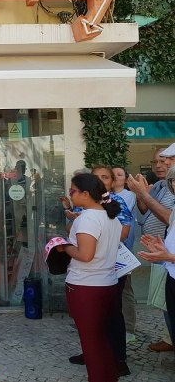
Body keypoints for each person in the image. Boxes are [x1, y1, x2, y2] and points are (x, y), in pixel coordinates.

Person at [56, 173, 122, 382]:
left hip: (86, 286)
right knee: (101, 337)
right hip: (107, 283)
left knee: (91, 342)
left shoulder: (88, 218)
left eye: (73, 191)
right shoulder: (110, 217)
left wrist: (65, 246)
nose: (70, 194)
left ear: (85, 194)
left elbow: (85, 255)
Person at [128, 147, 175, 352]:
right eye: (156, 161)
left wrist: (141, 194)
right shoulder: (160, 186)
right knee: (165, 302)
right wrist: (142, 195)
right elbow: (144, 213)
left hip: (167, 255)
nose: (161, 165)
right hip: (162, 253)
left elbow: (168, 217)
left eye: (166, 160)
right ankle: (169, 337)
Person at [112, 165, 138, 343]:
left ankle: (129, 329)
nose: (115, 176)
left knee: (125, 288)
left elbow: (115, 216)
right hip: (108, 250)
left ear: (126, 179)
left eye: (119, 174)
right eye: (112, 174)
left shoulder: (128, 196)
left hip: (122, 250)